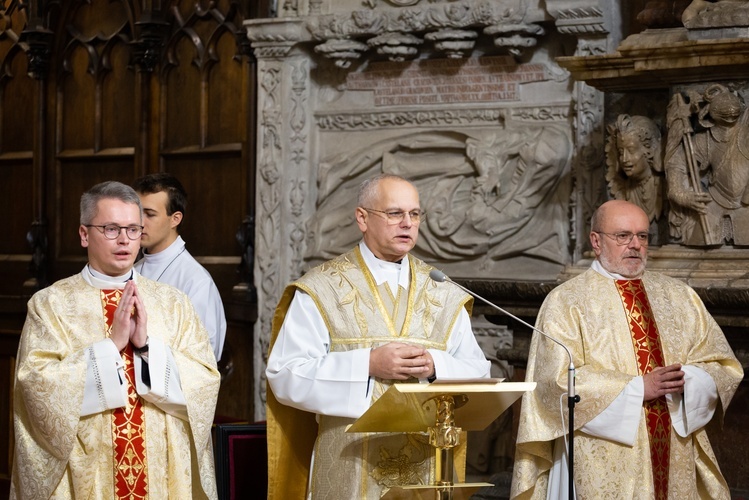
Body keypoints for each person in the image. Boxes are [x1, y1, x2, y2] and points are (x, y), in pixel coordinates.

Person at [265, 173, 491, 499]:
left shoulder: (441, 290)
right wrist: (368, 364)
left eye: (414, 214)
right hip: (349, 462)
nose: (407, 224)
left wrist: (435, 365)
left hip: (426, 466)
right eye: (395, 213)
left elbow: (478, 372)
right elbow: (285, 374)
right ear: (362, 218)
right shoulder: (322, 288)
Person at [510, 199, 743, 499]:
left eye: (642, 236)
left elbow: (722, 364)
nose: (635, 245)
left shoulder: (680, 296)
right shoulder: (566, 301)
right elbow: (552, 384)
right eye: (623, 236)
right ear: (596, 241)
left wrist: (691, 380)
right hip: (600, 458)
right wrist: (636, 389)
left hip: (676, 451)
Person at [11, 181, 221, 499]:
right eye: (111, 229)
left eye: (133, 229)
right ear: (84, 234)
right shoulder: (52, 304)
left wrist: (147, 347)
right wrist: (111, 347)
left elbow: (205, 382)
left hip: (162, 478)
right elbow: (36, 386)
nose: (124, 240)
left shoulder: (174, 303)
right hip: (88, 478)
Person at [132, 173, 226, 360]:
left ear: (175, 219)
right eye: (137, 213)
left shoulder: (196, 281)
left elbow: (205, 356)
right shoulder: (132, 269)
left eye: (149, 214)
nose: (139, 223)